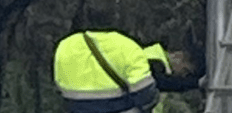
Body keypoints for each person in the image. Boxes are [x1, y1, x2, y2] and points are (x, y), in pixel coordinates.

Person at [53, 28, 202, 113]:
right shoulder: (153, 61)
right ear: (179, 56)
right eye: (185, 71)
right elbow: (153, 89)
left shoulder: (133, 52)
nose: (181, 74)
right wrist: (193, 83)